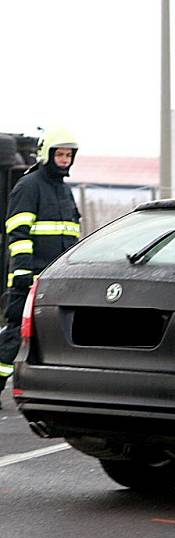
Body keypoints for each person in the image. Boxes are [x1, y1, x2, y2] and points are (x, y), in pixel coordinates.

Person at [0, 128, 82, 402]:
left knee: (56, 336)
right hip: (29, 277)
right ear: (47, 154)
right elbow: (18, 232)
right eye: (59, 154)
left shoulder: (64, 191)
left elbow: (72, 237)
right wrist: (23, 271)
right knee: (14, 335)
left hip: (57, 280)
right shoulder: (29, 186)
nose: (64, 159)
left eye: (68, 155)